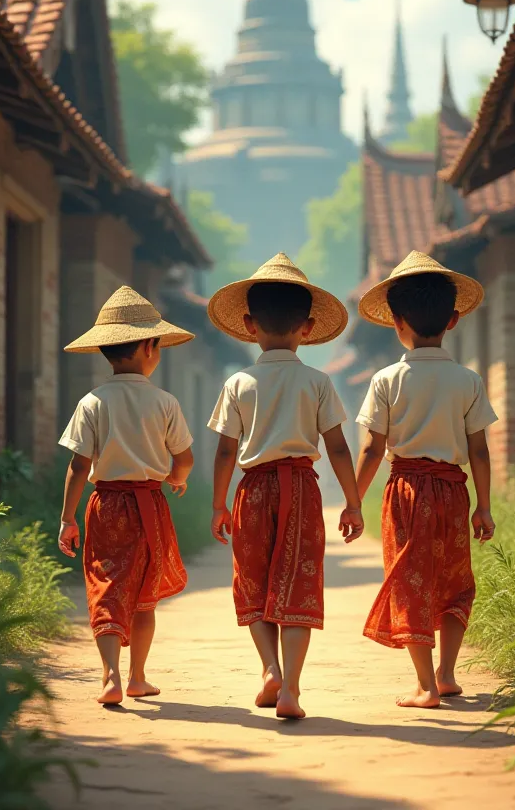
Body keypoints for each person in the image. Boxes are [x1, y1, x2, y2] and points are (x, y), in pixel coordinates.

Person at [206, 253, 364, 720]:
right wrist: (353, 503)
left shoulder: (239, 383)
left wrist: (218, 505)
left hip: (252, 491)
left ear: (250, 325)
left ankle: (270, 668)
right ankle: (291, 688)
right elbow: (338, 448)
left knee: (252, 582)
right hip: (301, 488)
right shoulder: (317, 381)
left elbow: (224, 453)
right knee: (299, 584)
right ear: (308, 328)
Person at [354, 251, 497, 709]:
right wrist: (484, 505)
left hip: (406, 493)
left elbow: (373, 449)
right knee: (455, 580)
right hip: (455, 492)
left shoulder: (386, 380)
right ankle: (447, 673)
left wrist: (354, 501)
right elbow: (479, 449)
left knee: (409, 580)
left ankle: (424, 686)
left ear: (396, 322)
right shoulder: (468, 380)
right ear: (454, 320)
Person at [57, 285, 195, 706]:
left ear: (105, 351)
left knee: (106, 585)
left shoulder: (92, 401)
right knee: (142, 596)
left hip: (105, 507)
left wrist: (68, 518)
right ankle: (138, 677)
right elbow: (185, 458)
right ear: (150, 348)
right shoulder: (165, 402)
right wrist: (175, 477)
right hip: (150, 505)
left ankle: (110, 676)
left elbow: (79, 466)